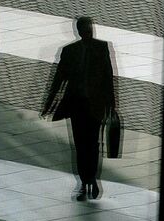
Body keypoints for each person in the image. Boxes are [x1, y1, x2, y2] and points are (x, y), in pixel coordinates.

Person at [42, 17, 116, 201]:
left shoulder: (97, 48)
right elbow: (59, 79)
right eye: (87, 29)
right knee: (84, 145)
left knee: (90, 145)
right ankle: (87, 181)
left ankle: (89, 181)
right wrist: (49, 103)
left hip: (91, 105)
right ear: (81, 31)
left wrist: (111, 106)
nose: (89, 32)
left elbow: (108, 78)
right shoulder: (71, 51)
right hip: (79, 105)